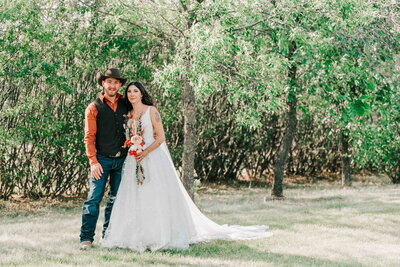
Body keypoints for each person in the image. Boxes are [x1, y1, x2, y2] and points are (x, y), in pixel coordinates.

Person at [101, 82, 272, 252]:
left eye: (135, 91)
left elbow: (160, 138)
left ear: (141, 93)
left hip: (152, 158)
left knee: (154, 195)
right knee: (134, 196)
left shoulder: (151, 111)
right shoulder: (128, 114)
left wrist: (145, 152)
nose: (131, 94)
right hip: (134, 160)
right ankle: (135, 234)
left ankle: (157, 235)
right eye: (129, 91)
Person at [79, 68, 128, 250]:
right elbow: (89, 137)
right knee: (93, 199)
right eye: (109, 82)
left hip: (122, 160)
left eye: (116, 82)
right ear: (103, 84)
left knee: (116, 200)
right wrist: (93, 162)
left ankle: (109, 237)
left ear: (120, 85)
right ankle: (86, 238)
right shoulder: (93, 107)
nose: (112, 85)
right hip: (101, 160)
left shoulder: (126, 104)